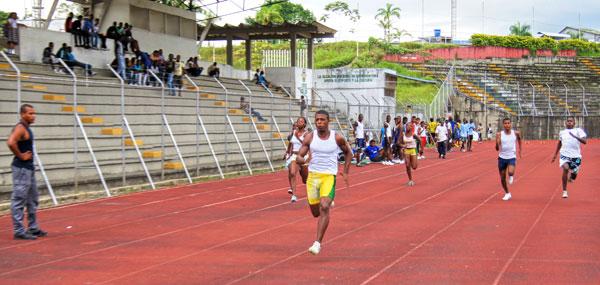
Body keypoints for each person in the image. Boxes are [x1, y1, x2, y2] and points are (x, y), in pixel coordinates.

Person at [296, 110, 352, 255]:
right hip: (313, 178)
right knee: (316, 213)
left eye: (322, 119)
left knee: (324, 206)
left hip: (328, 176)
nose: (319, 122)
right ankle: (327, 200)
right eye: (317, 120)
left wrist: (345, 171)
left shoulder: (337, 137)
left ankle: (317, 243)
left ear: (328, 121)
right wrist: (304, 160)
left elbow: (348, 153)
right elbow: (299, 157)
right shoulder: (310, 137)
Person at [6, 104, 47, 240]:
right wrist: (21, 155)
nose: (33, 116)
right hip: (21, 168)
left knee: (32, 199)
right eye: (30, 113)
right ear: (22, 114)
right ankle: (18, 230)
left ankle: (33, 228)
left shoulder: (27, 128)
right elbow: (11, 142)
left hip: (28, 168)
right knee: (19, 199)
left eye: (34, 113)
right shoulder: (20, 128)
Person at [551, 117, 587, 199]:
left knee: (574, 173)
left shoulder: (578, 131)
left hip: (576, 156)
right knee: (566, 169)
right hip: (564, 155)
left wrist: (575, 137)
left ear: (574, 123)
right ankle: (564, 191)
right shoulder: (562, 132)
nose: (569, 122)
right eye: (568, 121)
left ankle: (573, 176)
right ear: (565, 123)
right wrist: (555, 155)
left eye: (571, 121)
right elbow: (559, 143)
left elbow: (585, 142)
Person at [495, 118, 522, 201]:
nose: (507, 125)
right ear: (503, 125)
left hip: (511, 157)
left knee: (510, 172)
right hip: (502, 158)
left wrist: (520, 150)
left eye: (508, 123)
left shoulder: (516, 133)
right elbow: (497, 148)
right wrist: (497, 142)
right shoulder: (499, 134)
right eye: (505, 123)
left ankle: (511, 175)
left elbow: (520, 140)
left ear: (511, 124)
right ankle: (507, 193)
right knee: (502, 178)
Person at [284, 117, 310, 203]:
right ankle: (294, 195)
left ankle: (312, 188)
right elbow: (291, 143)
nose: (299, 122)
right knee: (292, 172)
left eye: (301, 121)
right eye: (298, 121)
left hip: (303, 156)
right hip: (295, 156)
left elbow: (307, 145)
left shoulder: (307, 134)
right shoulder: (294, 132)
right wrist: (287, 152)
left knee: (305, 179)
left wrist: (310, 156)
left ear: (304, 124)